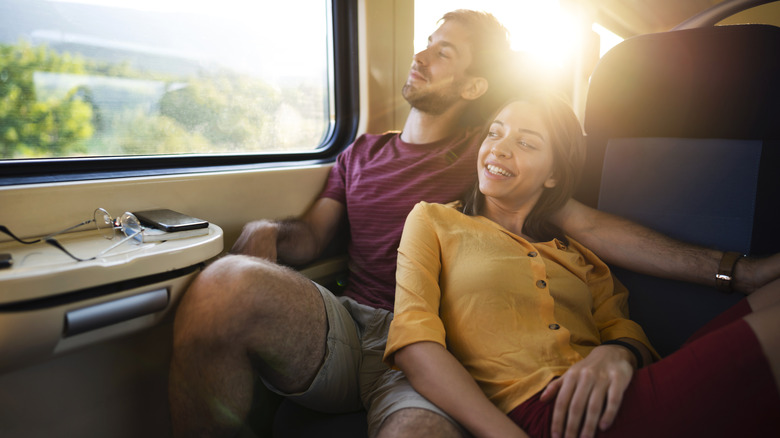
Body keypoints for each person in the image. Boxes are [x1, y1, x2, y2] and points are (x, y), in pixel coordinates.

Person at [168, 9, 780, 438]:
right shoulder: (360, 153)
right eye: (425, 42)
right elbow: (313, 237)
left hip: (441, 338)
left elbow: (589, 225)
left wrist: (739, 271)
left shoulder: (490, 157)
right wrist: (266, 233)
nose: (421, 54)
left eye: (444, 51)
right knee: (225, 283)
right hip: (352, 322)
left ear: (474, 85)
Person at [383, 94, 780, 438]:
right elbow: (415, 345)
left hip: (622, 393)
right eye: (494, 132)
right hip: (549, 415)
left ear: (554, 175)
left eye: (526, 143)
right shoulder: (433, 220)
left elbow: (624, 330)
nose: (499, 149)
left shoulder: (581, 256)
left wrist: (618, 353)